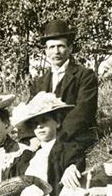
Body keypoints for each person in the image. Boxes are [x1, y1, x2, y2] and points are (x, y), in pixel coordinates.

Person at [27, 19, 98, 151]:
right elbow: (29, 112)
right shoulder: (39, 82)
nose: (56, 52)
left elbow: (83, 112)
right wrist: (32, 137)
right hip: (45, 139)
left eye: (61, 46)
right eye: (52, 47)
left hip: (75, 137)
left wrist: (57, 136)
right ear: (46, 52)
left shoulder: (85, 75)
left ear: (70, 49)